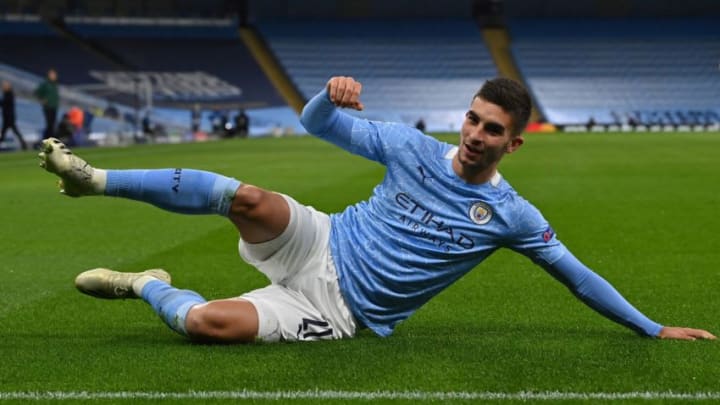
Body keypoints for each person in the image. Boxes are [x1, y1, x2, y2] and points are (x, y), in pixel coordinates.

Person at [38, 76, 715, 344]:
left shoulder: (510, 214)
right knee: (246, 198)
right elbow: (317, 124)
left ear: (514, 142)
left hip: (340, 312)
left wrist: (650, 327)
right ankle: (93, 178)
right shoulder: (410, 146)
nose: (477, 134)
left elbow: (576, 274)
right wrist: (329, 95)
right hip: (319, 242)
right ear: (466, 118)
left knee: (207, 323)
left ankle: (147, 283)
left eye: (492, 130)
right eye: (473, 120)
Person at [1, 80, 28, 150]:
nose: (3, 87)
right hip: (7, 117)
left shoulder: (9, 94)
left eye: (5, 86)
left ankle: (24, 144)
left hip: (9, 117)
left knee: (7, 132)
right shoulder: (6, 94)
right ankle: (24, 144)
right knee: (7, 132)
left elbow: (4, 103)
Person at [34, 68, 60, 141]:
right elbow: (37, 92)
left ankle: (51, 141)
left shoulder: (55, 84)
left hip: (54, 106)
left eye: (55, 75)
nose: (54, 76)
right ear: (49, 75)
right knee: (49, 124)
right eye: (52, 75)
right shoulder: (45, 84)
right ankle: (47, 140)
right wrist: (42, 99)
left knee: (52, 124)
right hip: (47, 107)